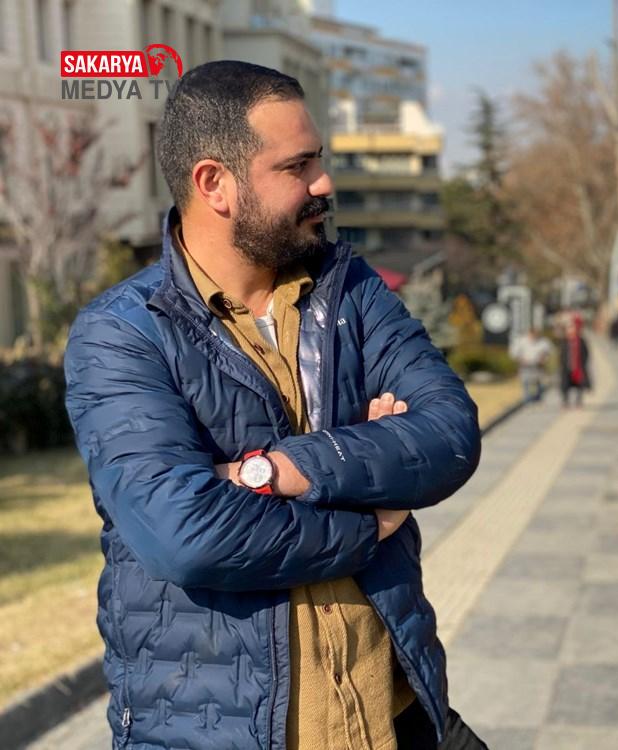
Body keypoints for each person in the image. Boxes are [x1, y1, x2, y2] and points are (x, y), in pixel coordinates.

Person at [63, 61, 485, 750]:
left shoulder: (350, 290)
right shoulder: (122, 333)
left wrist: (273, 471)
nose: (324, 183)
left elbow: (449, 433)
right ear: (214, 184)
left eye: (318, 160)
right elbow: (186, 535)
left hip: (396, 721)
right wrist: (371, 519)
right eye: (297, 166)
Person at [509, 327, 551, 402]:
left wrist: (543, 358)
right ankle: (527, 398)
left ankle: (538, 397)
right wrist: (521, 359)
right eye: (532, 335)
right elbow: (514, 353)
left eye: (536, 335)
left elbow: (548, 352)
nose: (534, 337)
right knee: (525, 382)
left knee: (538, 381)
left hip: (538, 366)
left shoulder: (543, 342)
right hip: (525, 366)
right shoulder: (521, 341)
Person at [558, 314, 591, 407]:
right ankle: (565, 401)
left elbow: (586, 353)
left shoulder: (581, 340)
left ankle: (578, 401)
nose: (571, 330)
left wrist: (583, 363)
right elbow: (561, 354)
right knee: (565, 385)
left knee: (579, 385)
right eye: (569, 329)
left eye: (573, 328)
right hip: (567, 366)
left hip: (578, 367)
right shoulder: (564, 341)